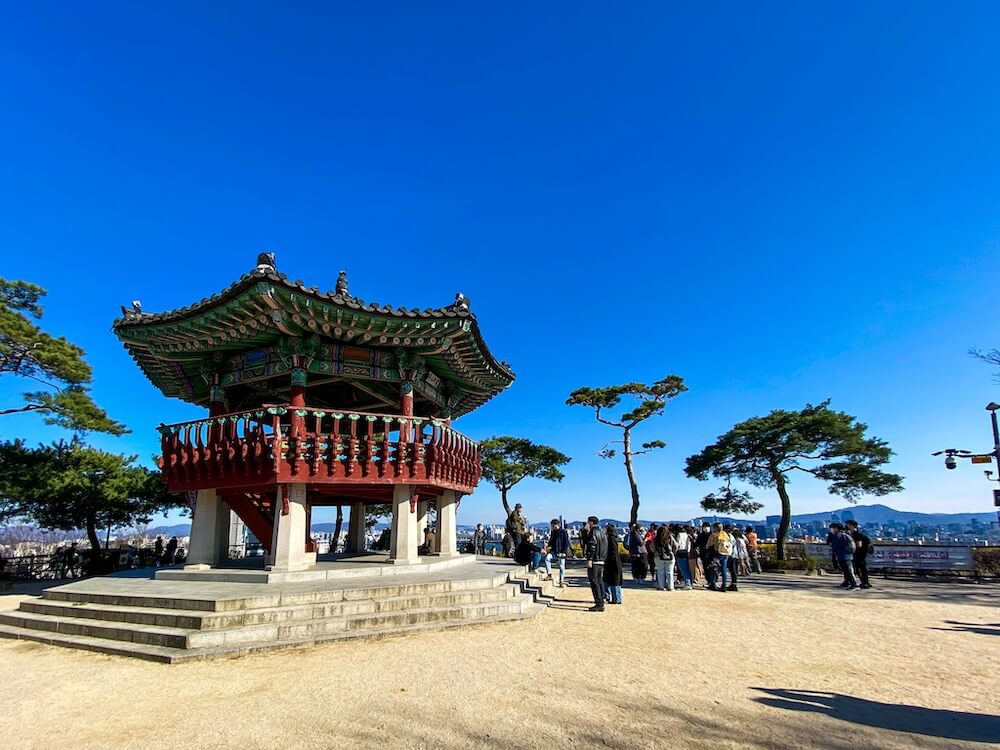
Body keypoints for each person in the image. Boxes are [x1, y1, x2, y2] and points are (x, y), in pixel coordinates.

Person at [584, 516, 608, 612]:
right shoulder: (602, 532)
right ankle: (601, 599)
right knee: (599, 580)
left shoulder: (593, 532)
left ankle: (599, 603)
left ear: (591, 522)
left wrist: (589, 559)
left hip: (595, 560)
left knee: (594, 581)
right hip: (601, 559)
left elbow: (592, 546)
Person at [829, 522, 860, 590]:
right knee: (847, 570)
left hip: (842, 554)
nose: (832, 530)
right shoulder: (846, 533)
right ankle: (847, 582)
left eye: (833, 528)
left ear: (836, 528)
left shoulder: (838, 535)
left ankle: (854, 584)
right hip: (848, 554)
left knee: (848, 570)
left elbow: (834, 544)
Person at [846, 520, 873, 589]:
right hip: (860, 554)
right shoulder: (854, 534)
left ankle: (865, 582)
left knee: (861, 569)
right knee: (860, 569)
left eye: (848, 525)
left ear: (852, 526)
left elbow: (859, 546)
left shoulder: (857, 534)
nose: (847, 526)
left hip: (860, 554)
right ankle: (864, 582)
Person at [706, 523, 733, 591]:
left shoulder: (714, 535)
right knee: (724, 569)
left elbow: (708, 545)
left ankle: (713, 583)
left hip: (716, 553)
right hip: (725, 553)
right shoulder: (725, 534)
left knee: (714, 568)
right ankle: (724, 584)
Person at [545, 518, 571, 587]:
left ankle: (561, 581)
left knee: (562, 567)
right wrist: (548, 546)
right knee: (547, 559)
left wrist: (564, 551)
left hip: (561, 551)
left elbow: (566, 542)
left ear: (557, 525)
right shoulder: (553, 532)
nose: (552, 527)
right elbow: (551, 541)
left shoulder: (563, 532)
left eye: (553, 525)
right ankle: (549, 574)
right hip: (554, 550)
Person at [603, 524, 623, 604]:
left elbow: (613, 551)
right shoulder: (612, 538)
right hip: (612, 562)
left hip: (612, 562)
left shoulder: (610, 539)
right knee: (609, 580)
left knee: (614, 581)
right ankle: (609, 596)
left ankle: (616, 598)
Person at [652, 525, 677, 591]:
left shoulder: (656, 539)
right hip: (670, 557)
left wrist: (655, 552)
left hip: (658, 557)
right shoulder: (670, 538)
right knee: (670, 572)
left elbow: (652, 547)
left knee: (660, 572)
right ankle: (671, 587)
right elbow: (676, 546)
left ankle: (661, 586)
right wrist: (673, 552)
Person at [672, 525, 693, 590]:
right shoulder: (687, 535)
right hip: (686, 551)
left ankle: (687, 583)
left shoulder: (679, 535)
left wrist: (675, 552)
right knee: (687, 568)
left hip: (680, 552)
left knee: (683, 569)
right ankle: (689, 582)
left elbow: (678, 544)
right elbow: (689, 544)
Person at [694, 522, 713, 588]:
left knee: (712, 568)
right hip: (703, 553)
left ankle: (712, 581)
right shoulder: (701, 535)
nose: (705, 528)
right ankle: (709, 580)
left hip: (712, 553)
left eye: (707, 527)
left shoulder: (712, 535)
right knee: (706, 568)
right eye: (704, 527)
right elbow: (697, 543)